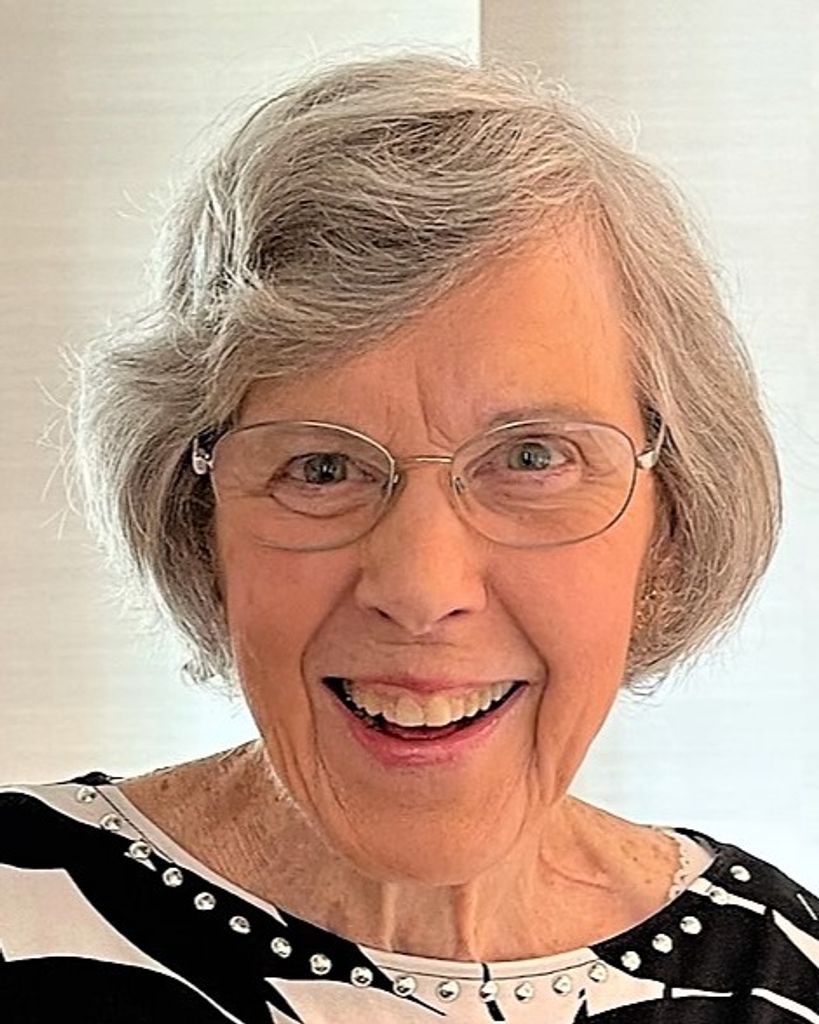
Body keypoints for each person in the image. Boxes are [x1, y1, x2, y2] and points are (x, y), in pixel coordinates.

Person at [1, 52, 815, 1023]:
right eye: (320, 468)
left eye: (531, 458)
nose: (422, 588)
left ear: (669, 521)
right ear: (199, 521)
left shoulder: (783, 973)